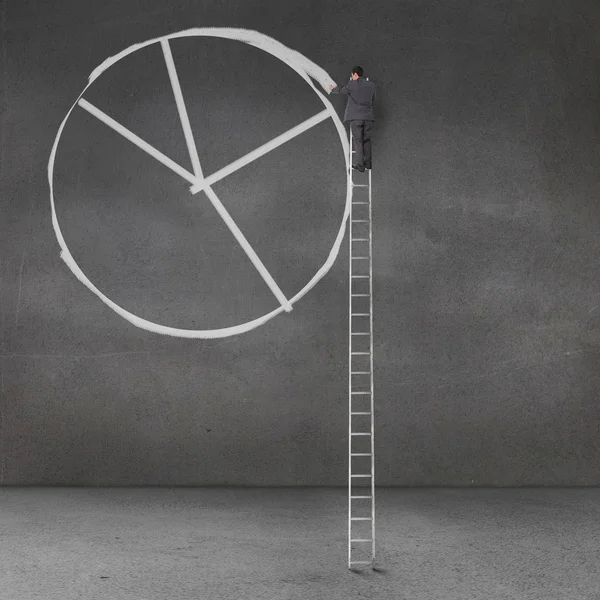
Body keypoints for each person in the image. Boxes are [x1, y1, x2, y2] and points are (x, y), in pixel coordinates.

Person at [328, 66, 376, 172]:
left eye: (352, 75)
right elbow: (373, 99)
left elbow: (340, 90)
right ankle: (368, 163)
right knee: (367, 140)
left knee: (358, 141)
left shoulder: (352, 84)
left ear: (355, 74)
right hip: (368, 117)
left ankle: (360, 165)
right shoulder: (371, 85)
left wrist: (332, 89)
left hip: (356, 118)